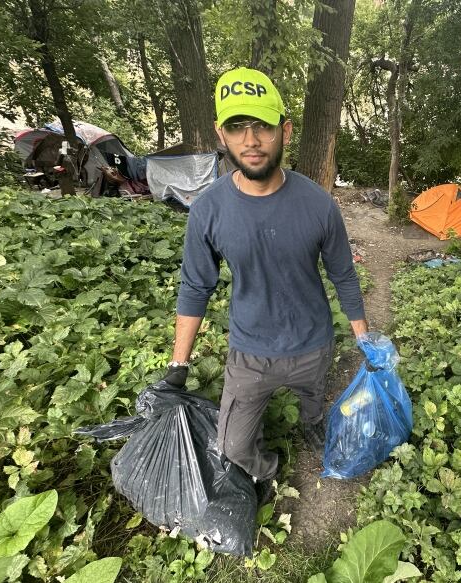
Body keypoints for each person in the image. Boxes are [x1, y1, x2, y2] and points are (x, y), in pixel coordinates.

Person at [163, 67, 368, 496]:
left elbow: (342, 273)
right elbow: (195, 286)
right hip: (250, 352)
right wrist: (177, 367)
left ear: (285, 131)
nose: (251, 140)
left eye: (263, 126)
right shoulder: (209, 210)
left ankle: (311, 423)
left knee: (313, 402)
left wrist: (365, 340)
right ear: (221, 134)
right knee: (233, 445)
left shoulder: (318, 204)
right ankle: (266, 469)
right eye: (238, 127)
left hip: (313, 342)